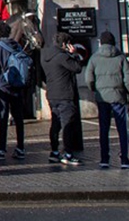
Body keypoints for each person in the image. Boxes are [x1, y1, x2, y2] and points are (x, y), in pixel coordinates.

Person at [85, 30, 129, 169]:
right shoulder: (121, 57)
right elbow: (128, 77)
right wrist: (127, 91)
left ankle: (104, 158)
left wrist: (95, 89)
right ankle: (124, 159)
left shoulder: (94, 58)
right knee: (122, 129)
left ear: (101, 42)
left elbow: (88, 79)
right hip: (118, 95)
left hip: (102, 97)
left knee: (104, 129)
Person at [40, 31, 84, 166]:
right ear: (65, 44)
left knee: (55, 124)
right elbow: (77, 68)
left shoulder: (45, 56)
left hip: (52, 93)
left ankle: (54, 151)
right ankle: (68, 153)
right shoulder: (62, 57)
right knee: (67, 124)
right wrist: (75, 54)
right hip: (65, 94)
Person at [0, 20, 26, 159]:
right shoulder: (17, 45)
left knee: (3, 117)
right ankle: (20, 147)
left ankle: (1, 149)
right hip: (18, 86)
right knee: (19, 118)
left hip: (2, 85)